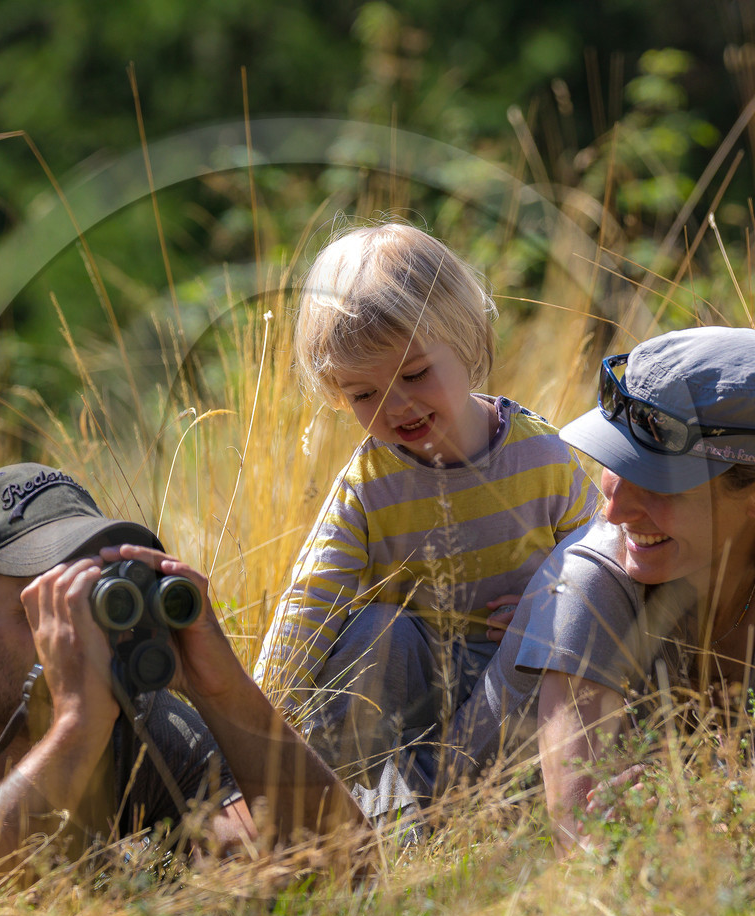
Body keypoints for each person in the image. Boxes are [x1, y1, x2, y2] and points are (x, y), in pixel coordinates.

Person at [0, 464, 365, 898]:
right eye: (44, 608)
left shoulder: (126, 710)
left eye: (89, 595)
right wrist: (76, 732)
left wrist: (224, 692)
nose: (78, 633)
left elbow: (349, 865)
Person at [253, 222, 598, 822]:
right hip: (412, 698)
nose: (397, 406)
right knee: (376, 631)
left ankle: (446, 802)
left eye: (415, 375)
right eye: (363, 394)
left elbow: (601, 557)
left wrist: (551, 606)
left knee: (542, 651)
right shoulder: (369, 483)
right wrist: (255, 720)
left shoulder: (540, 454)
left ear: (466, 341)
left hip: (505, 688)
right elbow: (311, 602)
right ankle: (339, 801)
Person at [488, 326, 755, 851]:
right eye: (615, 463)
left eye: (656, 483)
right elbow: (579, 844)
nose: (613, 510)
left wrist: (702, 816)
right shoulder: (590, 584)